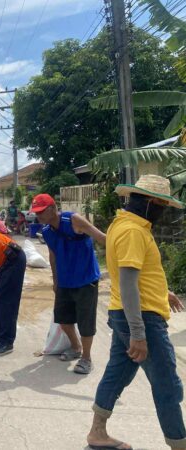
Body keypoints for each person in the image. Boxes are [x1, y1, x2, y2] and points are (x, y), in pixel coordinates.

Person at [87, 175, 186, 450]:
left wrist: (163, 292)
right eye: (162, 205)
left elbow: (136, 274)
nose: (163, 211)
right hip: (141, 317)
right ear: (150, 201)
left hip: (125, 312)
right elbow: (128, 282)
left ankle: (97, 432)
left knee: (118, 372)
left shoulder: (122, 224)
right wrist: (138, 333)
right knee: (167, 384)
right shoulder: (133, 231)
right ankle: (179, 444)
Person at [30, 193, 106, 375]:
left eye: (41, 212)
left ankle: (86, 358)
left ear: (52, 208)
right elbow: (53, 256)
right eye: (36, 212)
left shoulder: (73, 220)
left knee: (86, 322)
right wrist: (55, 281)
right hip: (65, 281)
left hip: (86, 279)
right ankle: (76, 347)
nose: (38, 216)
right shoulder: (47, 232)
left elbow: (101, 237)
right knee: (63, 320)